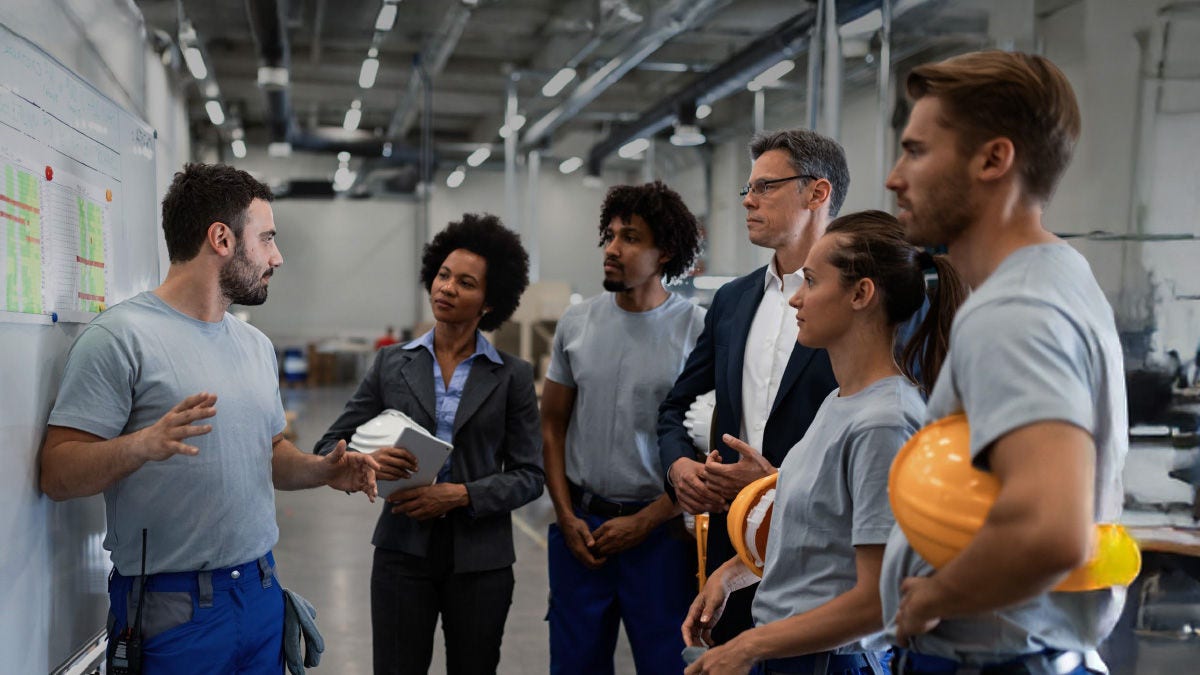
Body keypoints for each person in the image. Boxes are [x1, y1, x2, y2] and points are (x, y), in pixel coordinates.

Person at [39, 163, 378, 673]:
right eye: (266, 239)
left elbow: (268, 455)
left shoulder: (255, 345)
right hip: (170, 610)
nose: (277, 257)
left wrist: (323, 471)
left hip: (261, 593)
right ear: (221, 237)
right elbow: (57, 473)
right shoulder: (121, 339)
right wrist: (140, 445)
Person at [880, 50, 1129, 674]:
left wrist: (933, 598)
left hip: (996, 660)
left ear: (994, 159)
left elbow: (1052, 529)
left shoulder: (1012, 310)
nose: (893, 177)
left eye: (915, 151)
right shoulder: (1061, 275)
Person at [682, 211, 966, 675]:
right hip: (798, 657)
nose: (796, 298)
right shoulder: (840, 401)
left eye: (811, 281)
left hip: (833, 662)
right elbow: (820, 539)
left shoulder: (885, 423)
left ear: (861, 294)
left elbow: (879, 600)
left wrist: (748, 646)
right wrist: (730, 574)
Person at [315, 213, 543, 675]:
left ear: (488, 301)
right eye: (442, 275)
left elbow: (529, 476)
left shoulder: (512, 376)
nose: (447, 288)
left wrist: (460, 494)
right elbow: (328, 446)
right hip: (402, 553)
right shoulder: (390, 364)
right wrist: (366, 461)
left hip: (482, 561)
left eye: (465, 282)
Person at [658, 129, 847, 642]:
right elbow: (674, 407)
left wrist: (777, 482)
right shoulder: (732, 302)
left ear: (817, 193)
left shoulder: (858, 301)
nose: (748, 200)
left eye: (765, 186)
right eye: (748, 188)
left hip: (822, 550)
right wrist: (679, 466)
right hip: (731, 543)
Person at [542, 181, 706, 674]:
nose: (612, 249)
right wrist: (566, 515)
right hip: (581, 533)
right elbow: (552, 423)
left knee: (666, 664)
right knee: (574, 665)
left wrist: (648, 520)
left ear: (665, 253)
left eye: (631, 238)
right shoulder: (577, 324)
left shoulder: (697, 329)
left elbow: (703, 443)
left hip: (660, 537)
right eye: (610, 235)